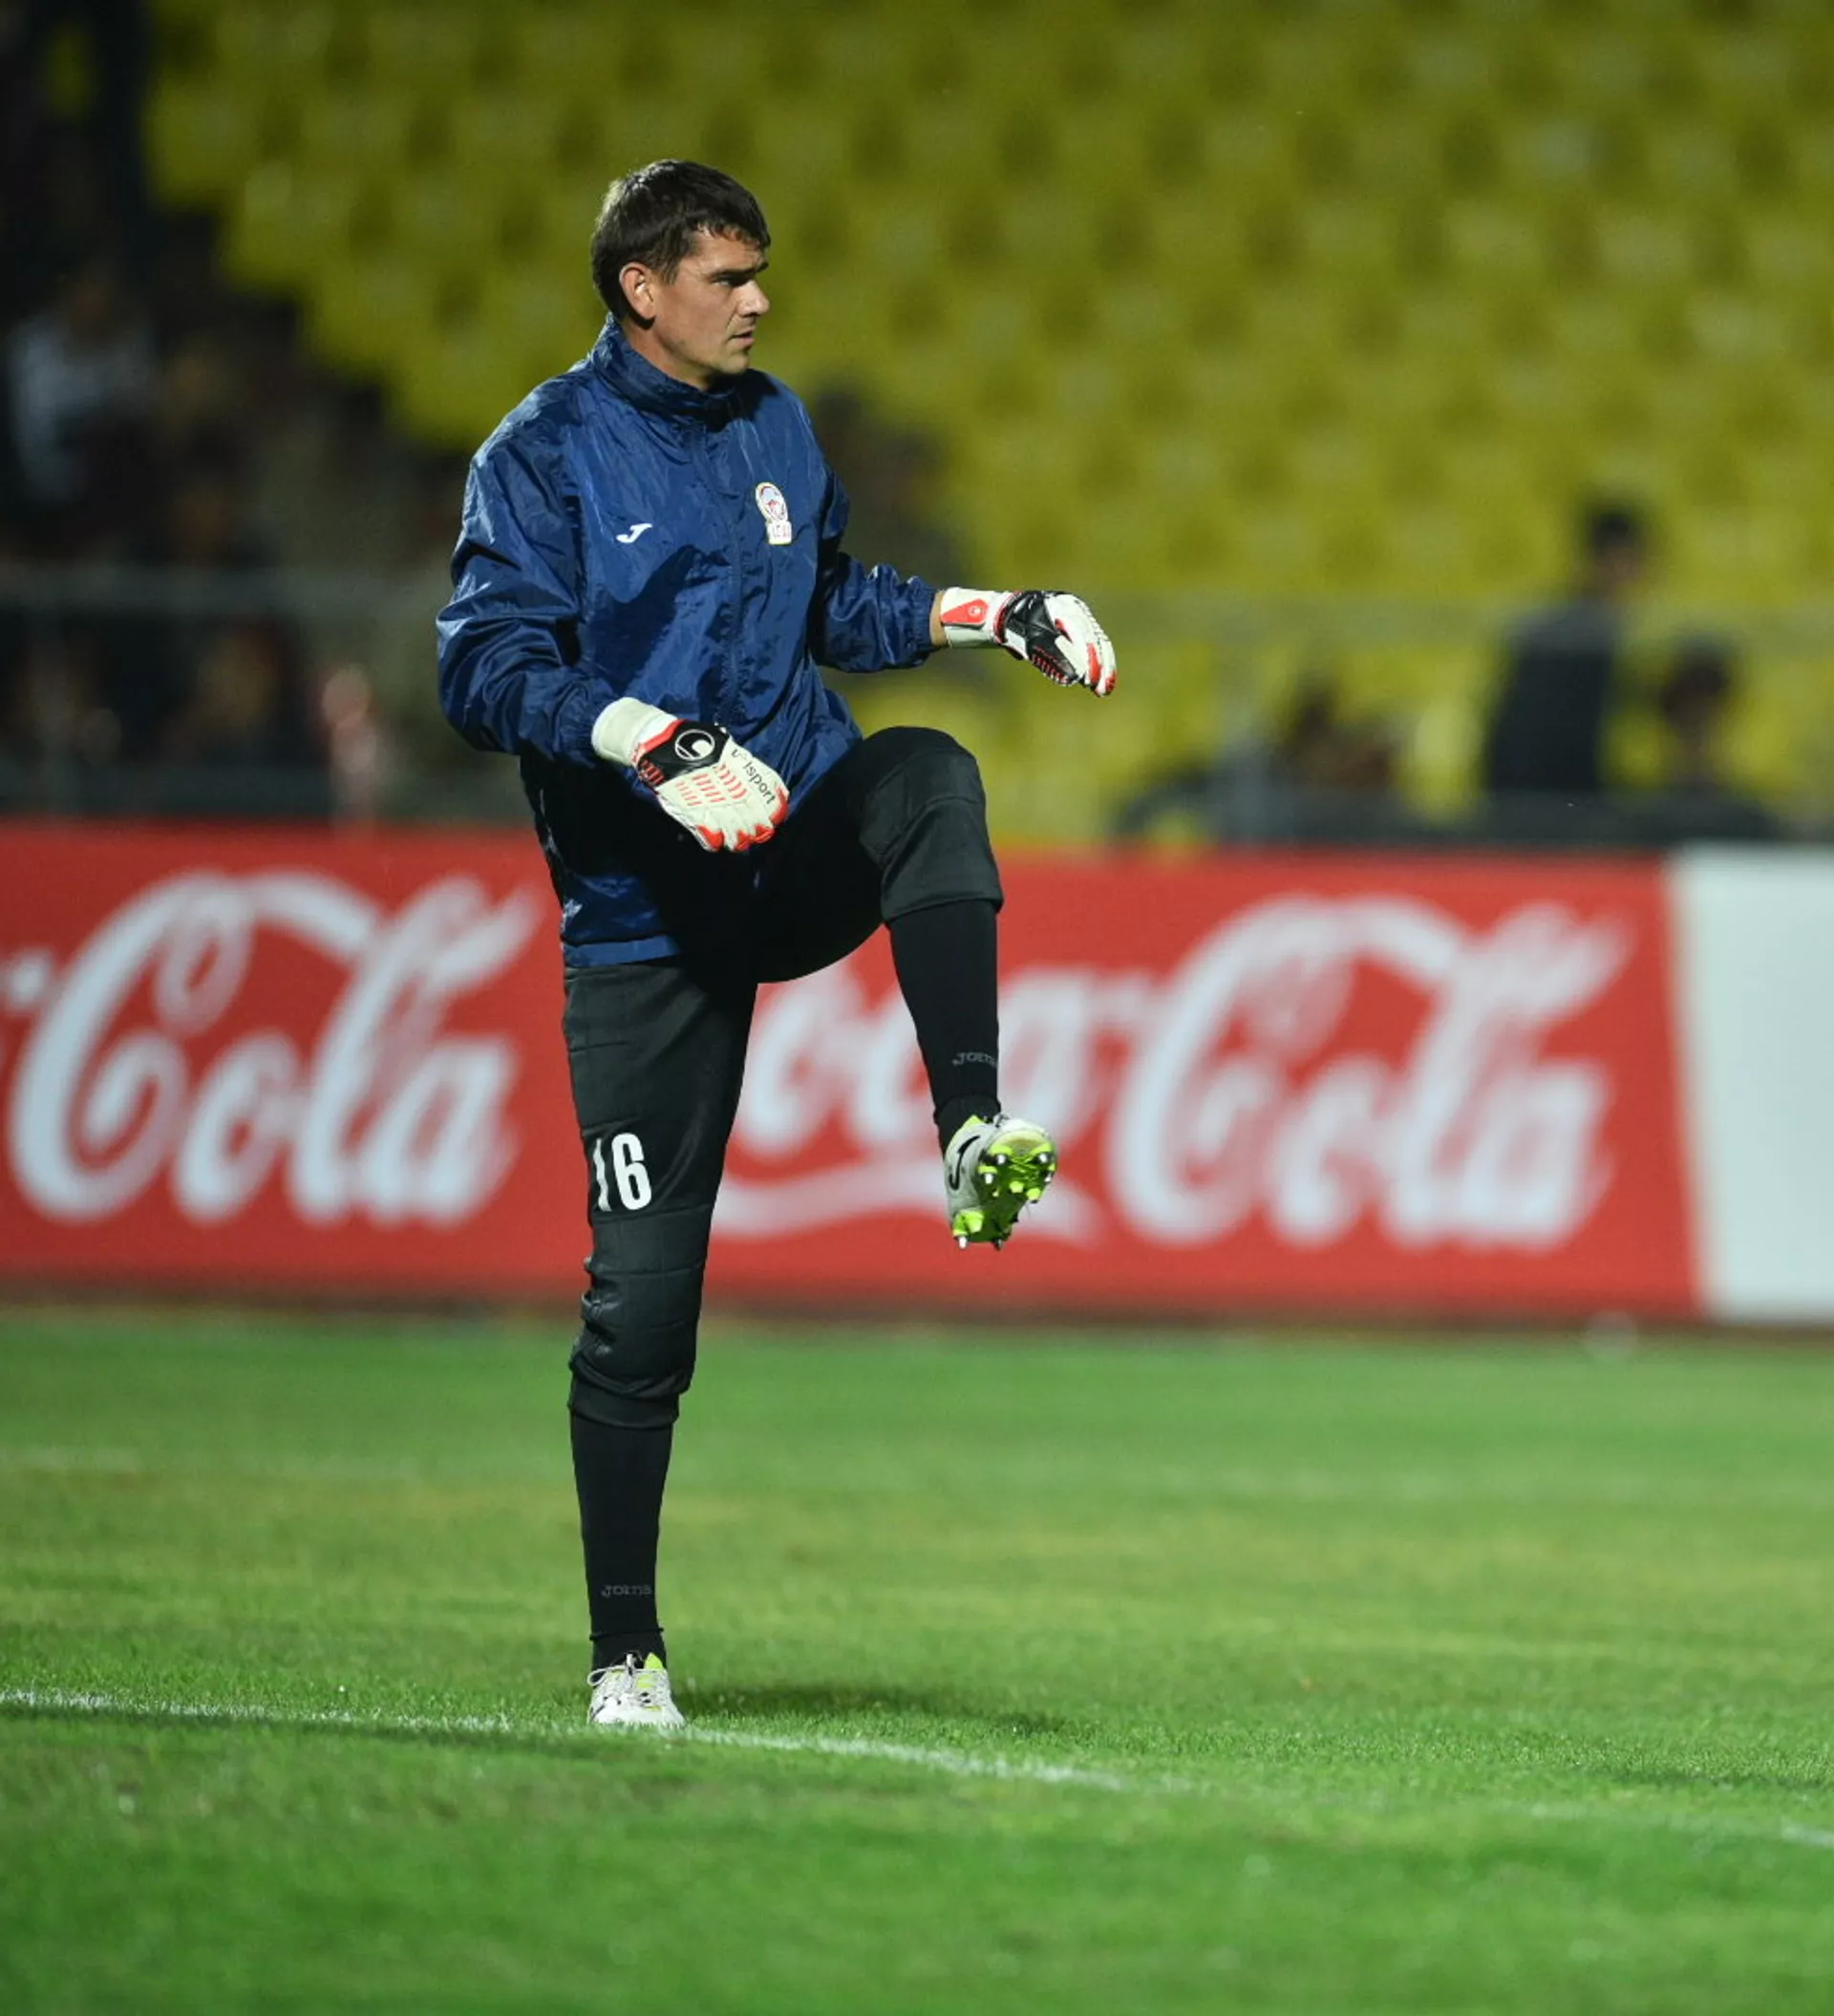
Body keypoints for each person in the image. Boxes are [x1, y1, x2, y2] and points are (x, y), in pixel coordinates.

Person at [437, 161, 1117, 1732]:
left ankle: (969, 1127)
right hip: (645, 916)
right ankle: (626, 1652)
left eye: (758, 274)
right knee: (642, 1310)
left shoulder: (774, 425)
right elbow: (481, 671)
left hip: (786, 840)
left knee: (928, 775)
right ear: (642, 289)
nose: (759, 300)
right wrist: (646, 736)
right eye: (727, 278)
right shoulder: (540, 455)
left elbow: (833, 603)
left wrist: (988, 613)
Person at [1482, 499, 1650, 822]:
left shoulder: (1580, 629)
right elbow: (1555, 738)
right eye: (1630, 560)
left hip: (1539, 795)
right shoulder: (1579, 639)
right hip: (1544, 802)